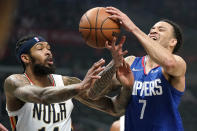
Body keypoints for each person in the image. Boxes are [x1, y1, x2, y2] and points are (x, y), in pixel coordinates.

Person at [4, 34, 134, 131]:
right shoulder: (14, 82)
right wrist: (81, 86)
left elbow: (114, 108)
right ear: (25, 58)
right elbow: (42, 95)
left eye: (48, 48)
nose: (48, 51)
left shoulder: (66, 82)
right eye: (40, 48)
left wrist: (119, 74)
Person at [88, 7, 186, 131]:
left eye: (161, 29)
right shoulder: (131, 62)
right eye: (152, 29)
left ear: (173, 42)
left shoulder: (178, 62)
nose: (153, 31)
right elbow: (93, 94)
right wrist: (113, 65)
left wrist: (133, 28)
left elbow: (169, 63)